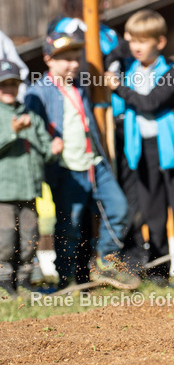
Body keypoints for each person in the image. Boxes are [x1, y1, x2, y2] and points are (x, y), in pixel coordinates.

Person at [24, 31, 138, 291]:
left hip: (94, 163)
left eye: (76, 58)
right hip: (65, 168)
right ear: (48, 59)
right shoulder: (38, 92)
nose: (74, 64)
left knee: (118, 209)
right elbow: (32, 128)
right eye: (66, 59)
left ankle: (106, 263)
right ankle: (67, 281)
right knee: (70, 225)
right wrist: (48, 145)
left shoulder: (79, 86)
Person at [108, 11, 174, 291]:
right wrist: (117, 67)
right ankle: (159, 270)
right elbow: (113, 55)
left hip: (173, 151)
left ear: (160, 42)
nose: (136, 46)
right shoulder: (129, 70)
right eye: (132, 40)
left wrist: (119, 89)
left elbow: (150, 103)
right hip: (142, 151)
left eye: (143, 41)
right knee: (153, 215)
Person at [0, 60, 57, 296]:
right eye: (4, 85)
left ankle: (24, 280)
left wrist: (53, 149)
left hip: (30, 189)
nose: (9, 89)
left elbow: (44, 147)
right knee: (5, 240)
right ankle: (4, 282)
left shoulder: (31, 114)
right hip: (3, 191)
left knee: (30, 236)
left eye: (13, 84)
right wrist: (12, 132)